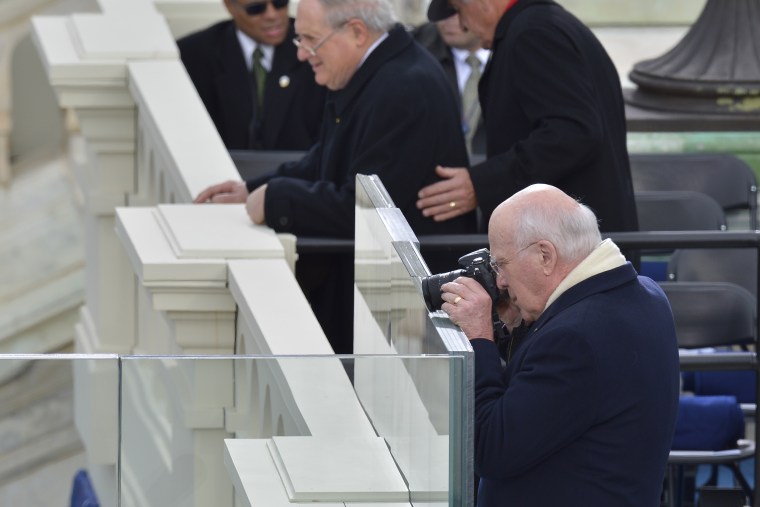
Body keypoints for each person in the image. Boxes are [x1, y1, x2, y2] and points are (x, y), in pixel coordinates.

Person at [194, 0, 477, 353]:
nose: (301, 55)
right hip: (360, 294)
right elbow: (325, 156)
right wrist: (251, 187)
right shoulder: (373, 71)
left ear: (356, 32)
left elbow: (367, 209)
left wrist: (276, 199)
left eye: (310, 40)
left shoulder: (405, 88)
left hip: (400, 321)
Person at [439, 184, 679, 506]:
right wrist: (517, 328)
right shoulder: (645, 295)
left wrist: (479, 336)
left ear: (545, 256)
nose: (499, 282)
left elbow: (488, 449)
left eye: (500, 264)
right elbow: (559, 407)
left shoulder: (574, 339)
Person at [417, 0, 638, 236]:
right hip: (578, 242)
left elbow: (573, 133)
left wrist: (482, 184)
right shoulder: (545, 24)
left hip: (571, 246)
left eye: (460, 10)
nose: (462, 25)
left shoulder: (533, 32)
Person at [177, 0, 326, 151]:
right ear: (230, 6)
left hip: (302, 171)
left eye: (280, 3)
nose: (272, 15)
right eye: (256, 8)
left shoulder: (316, 46)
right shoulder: (194, 54)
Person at [412, 13, 489, 159]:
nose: (447, 20)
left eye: (458, 8)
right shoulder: (415, 57)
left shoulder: (521, 50)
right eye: (442, 10)